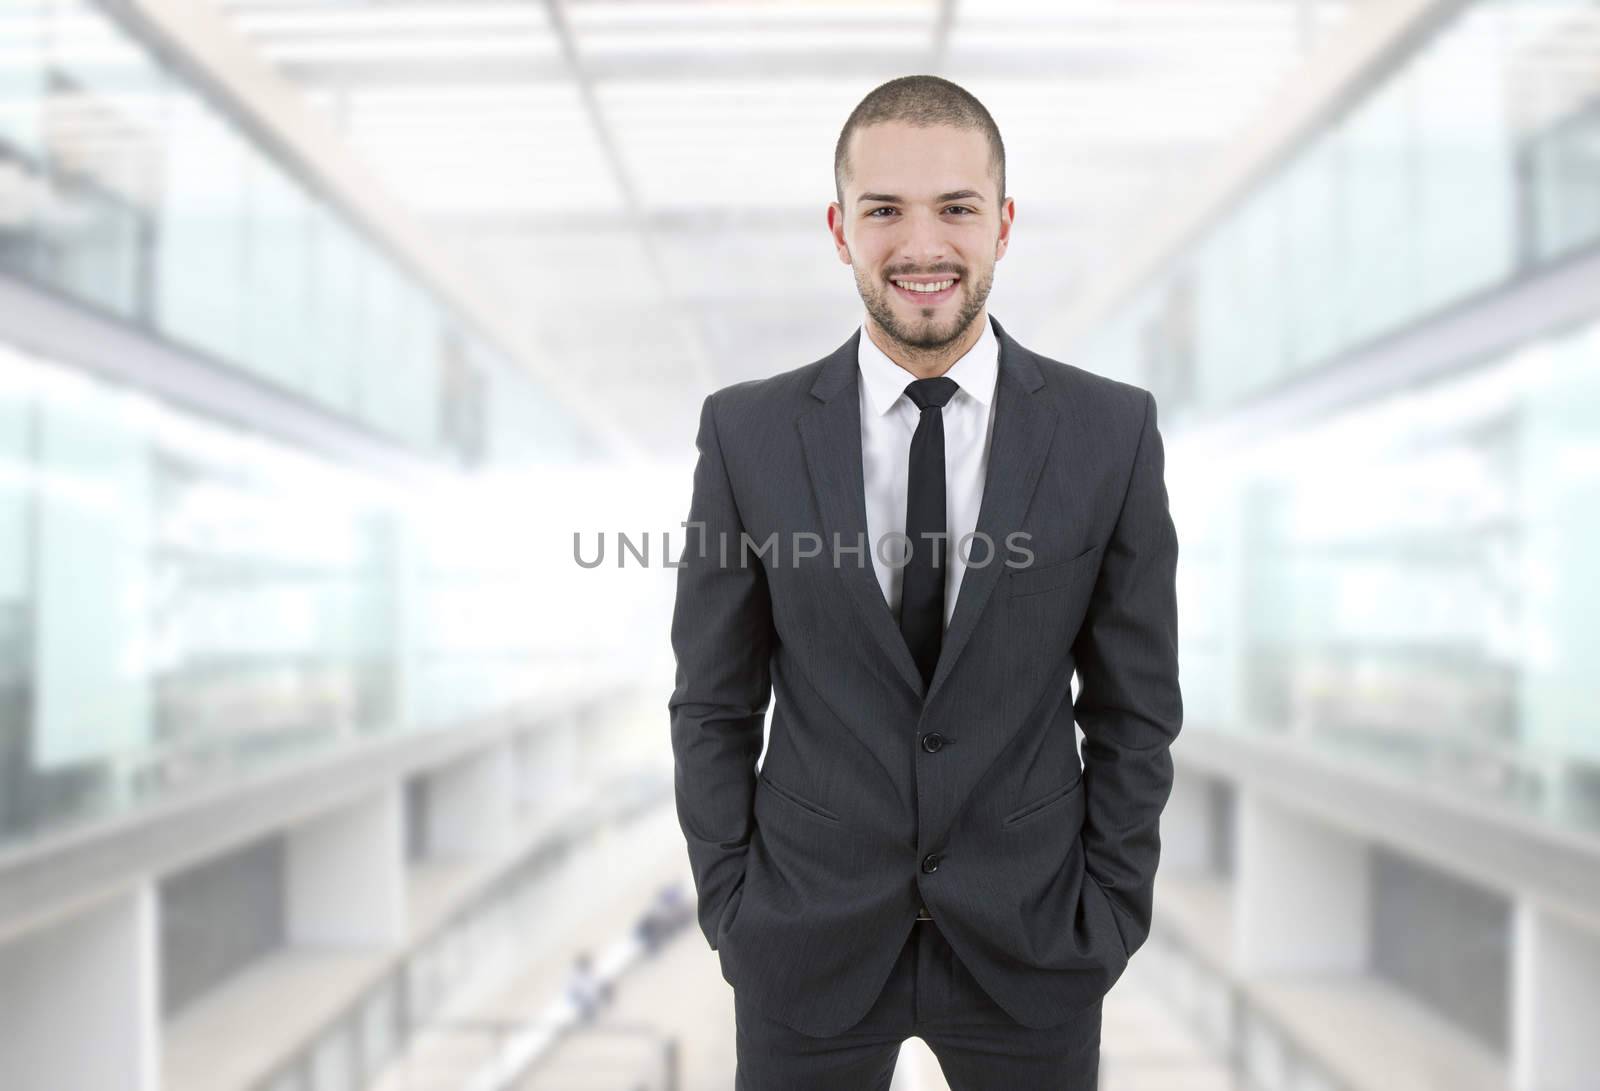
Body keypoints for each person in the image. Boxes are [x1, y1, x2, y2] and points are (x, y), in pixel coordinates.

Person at [668, 74, 1182, 1090]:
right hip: (801, 940)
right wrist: (731, 904)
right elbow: (714, 699)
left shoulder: (1109, 432)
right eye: (884, 210)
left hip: (1033, 943)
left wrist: (1111, 911)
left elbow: (1134, 706)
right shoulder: (747, 433)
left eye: (954, 207)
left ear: (1002, 223)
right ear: (839, 227)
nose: (922, 245)